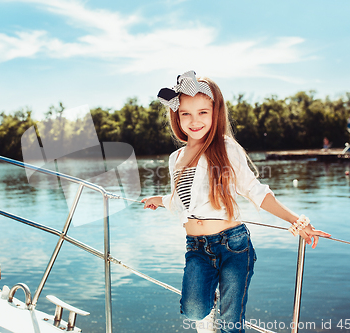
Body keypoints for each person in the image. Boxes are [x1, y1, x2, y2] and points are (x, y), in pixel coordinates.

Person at [141, 71, 330, 333]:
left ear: (215, 113)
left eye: (203, 112)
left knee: (231, 324)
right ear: (177, 115)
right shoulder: (176, 158)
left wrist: (296, 220)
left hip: (233, 245)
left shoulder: (226, 148)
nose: (195, 121)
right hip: (196, 246)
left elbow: (256, 191)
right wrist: (158, 201)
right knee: (194, 310)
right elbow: (182, 201)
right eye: (186, 113)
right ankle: (209, 306)